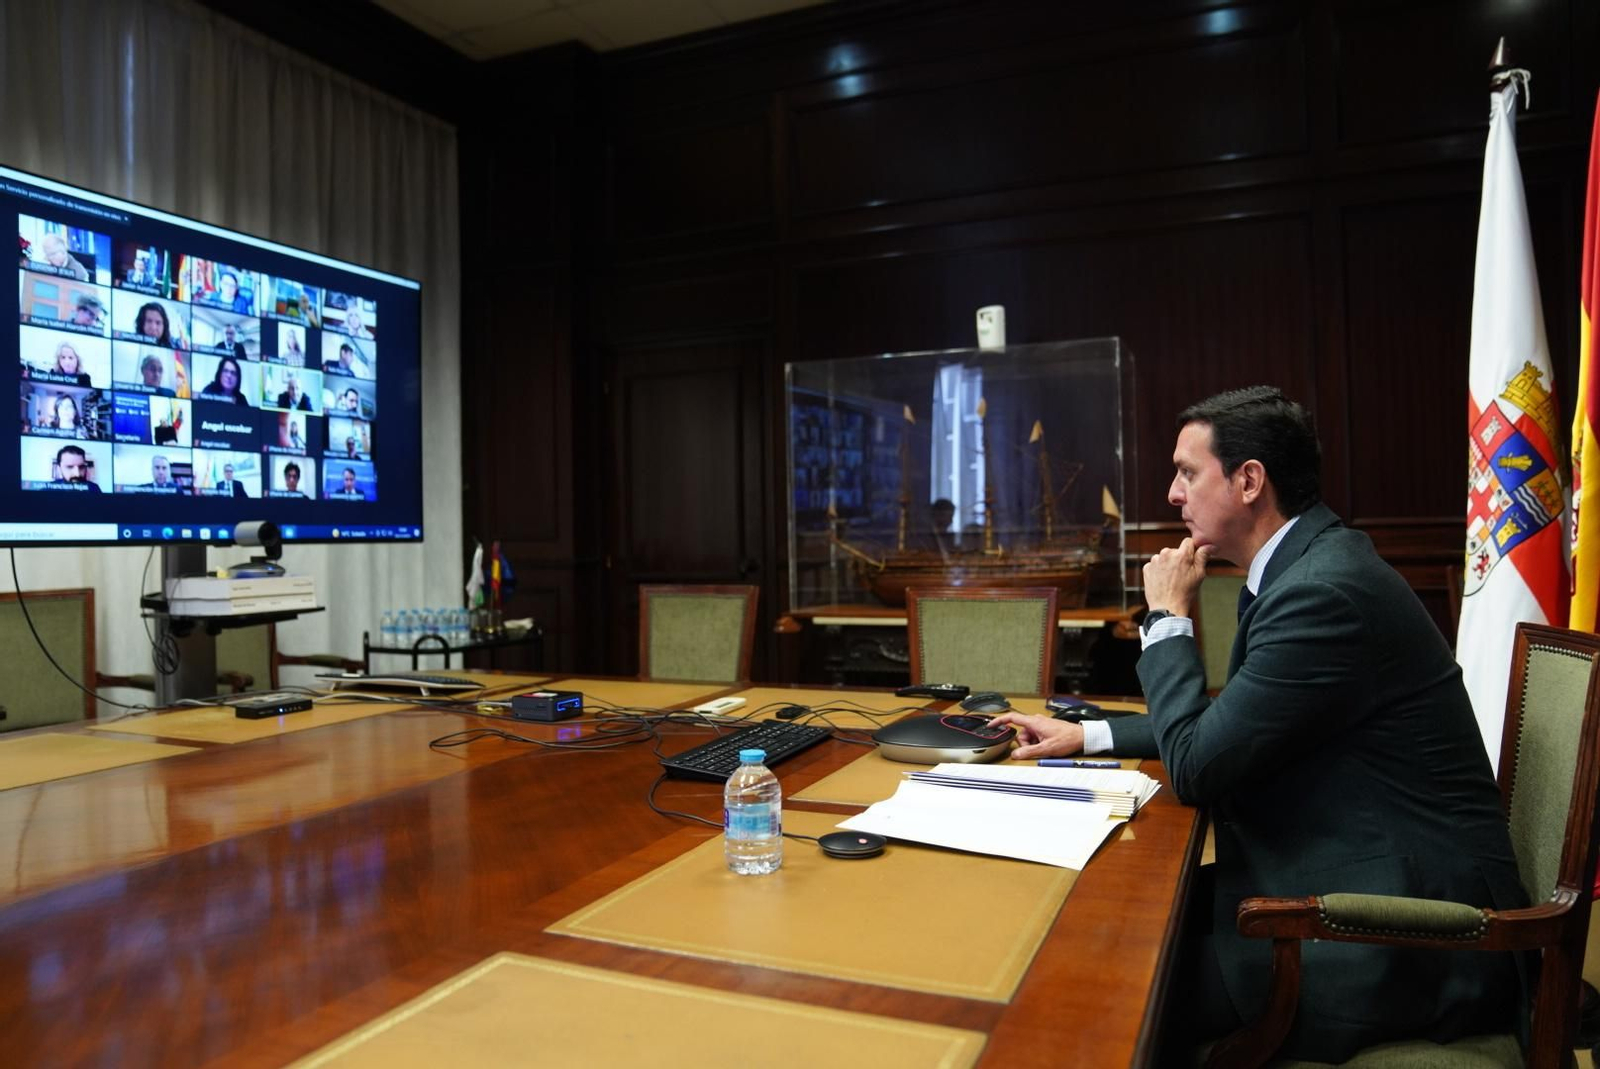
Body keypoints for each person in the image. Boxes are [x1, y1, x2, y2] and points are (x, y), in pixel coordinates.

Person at [987, 386, 1525, 1062]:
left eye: (1187, 471)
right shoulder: (1308, 566)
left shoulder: (1321, 592)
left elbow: (1198, 767)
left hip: (1399, 933)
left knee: (1091, 985)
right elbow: (1233, 724)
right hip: (1336, 871)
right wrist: (1089, 734)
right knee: (1099, 920)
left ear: (1248, 481)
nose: (1172, 492)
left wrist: (1166, 619)